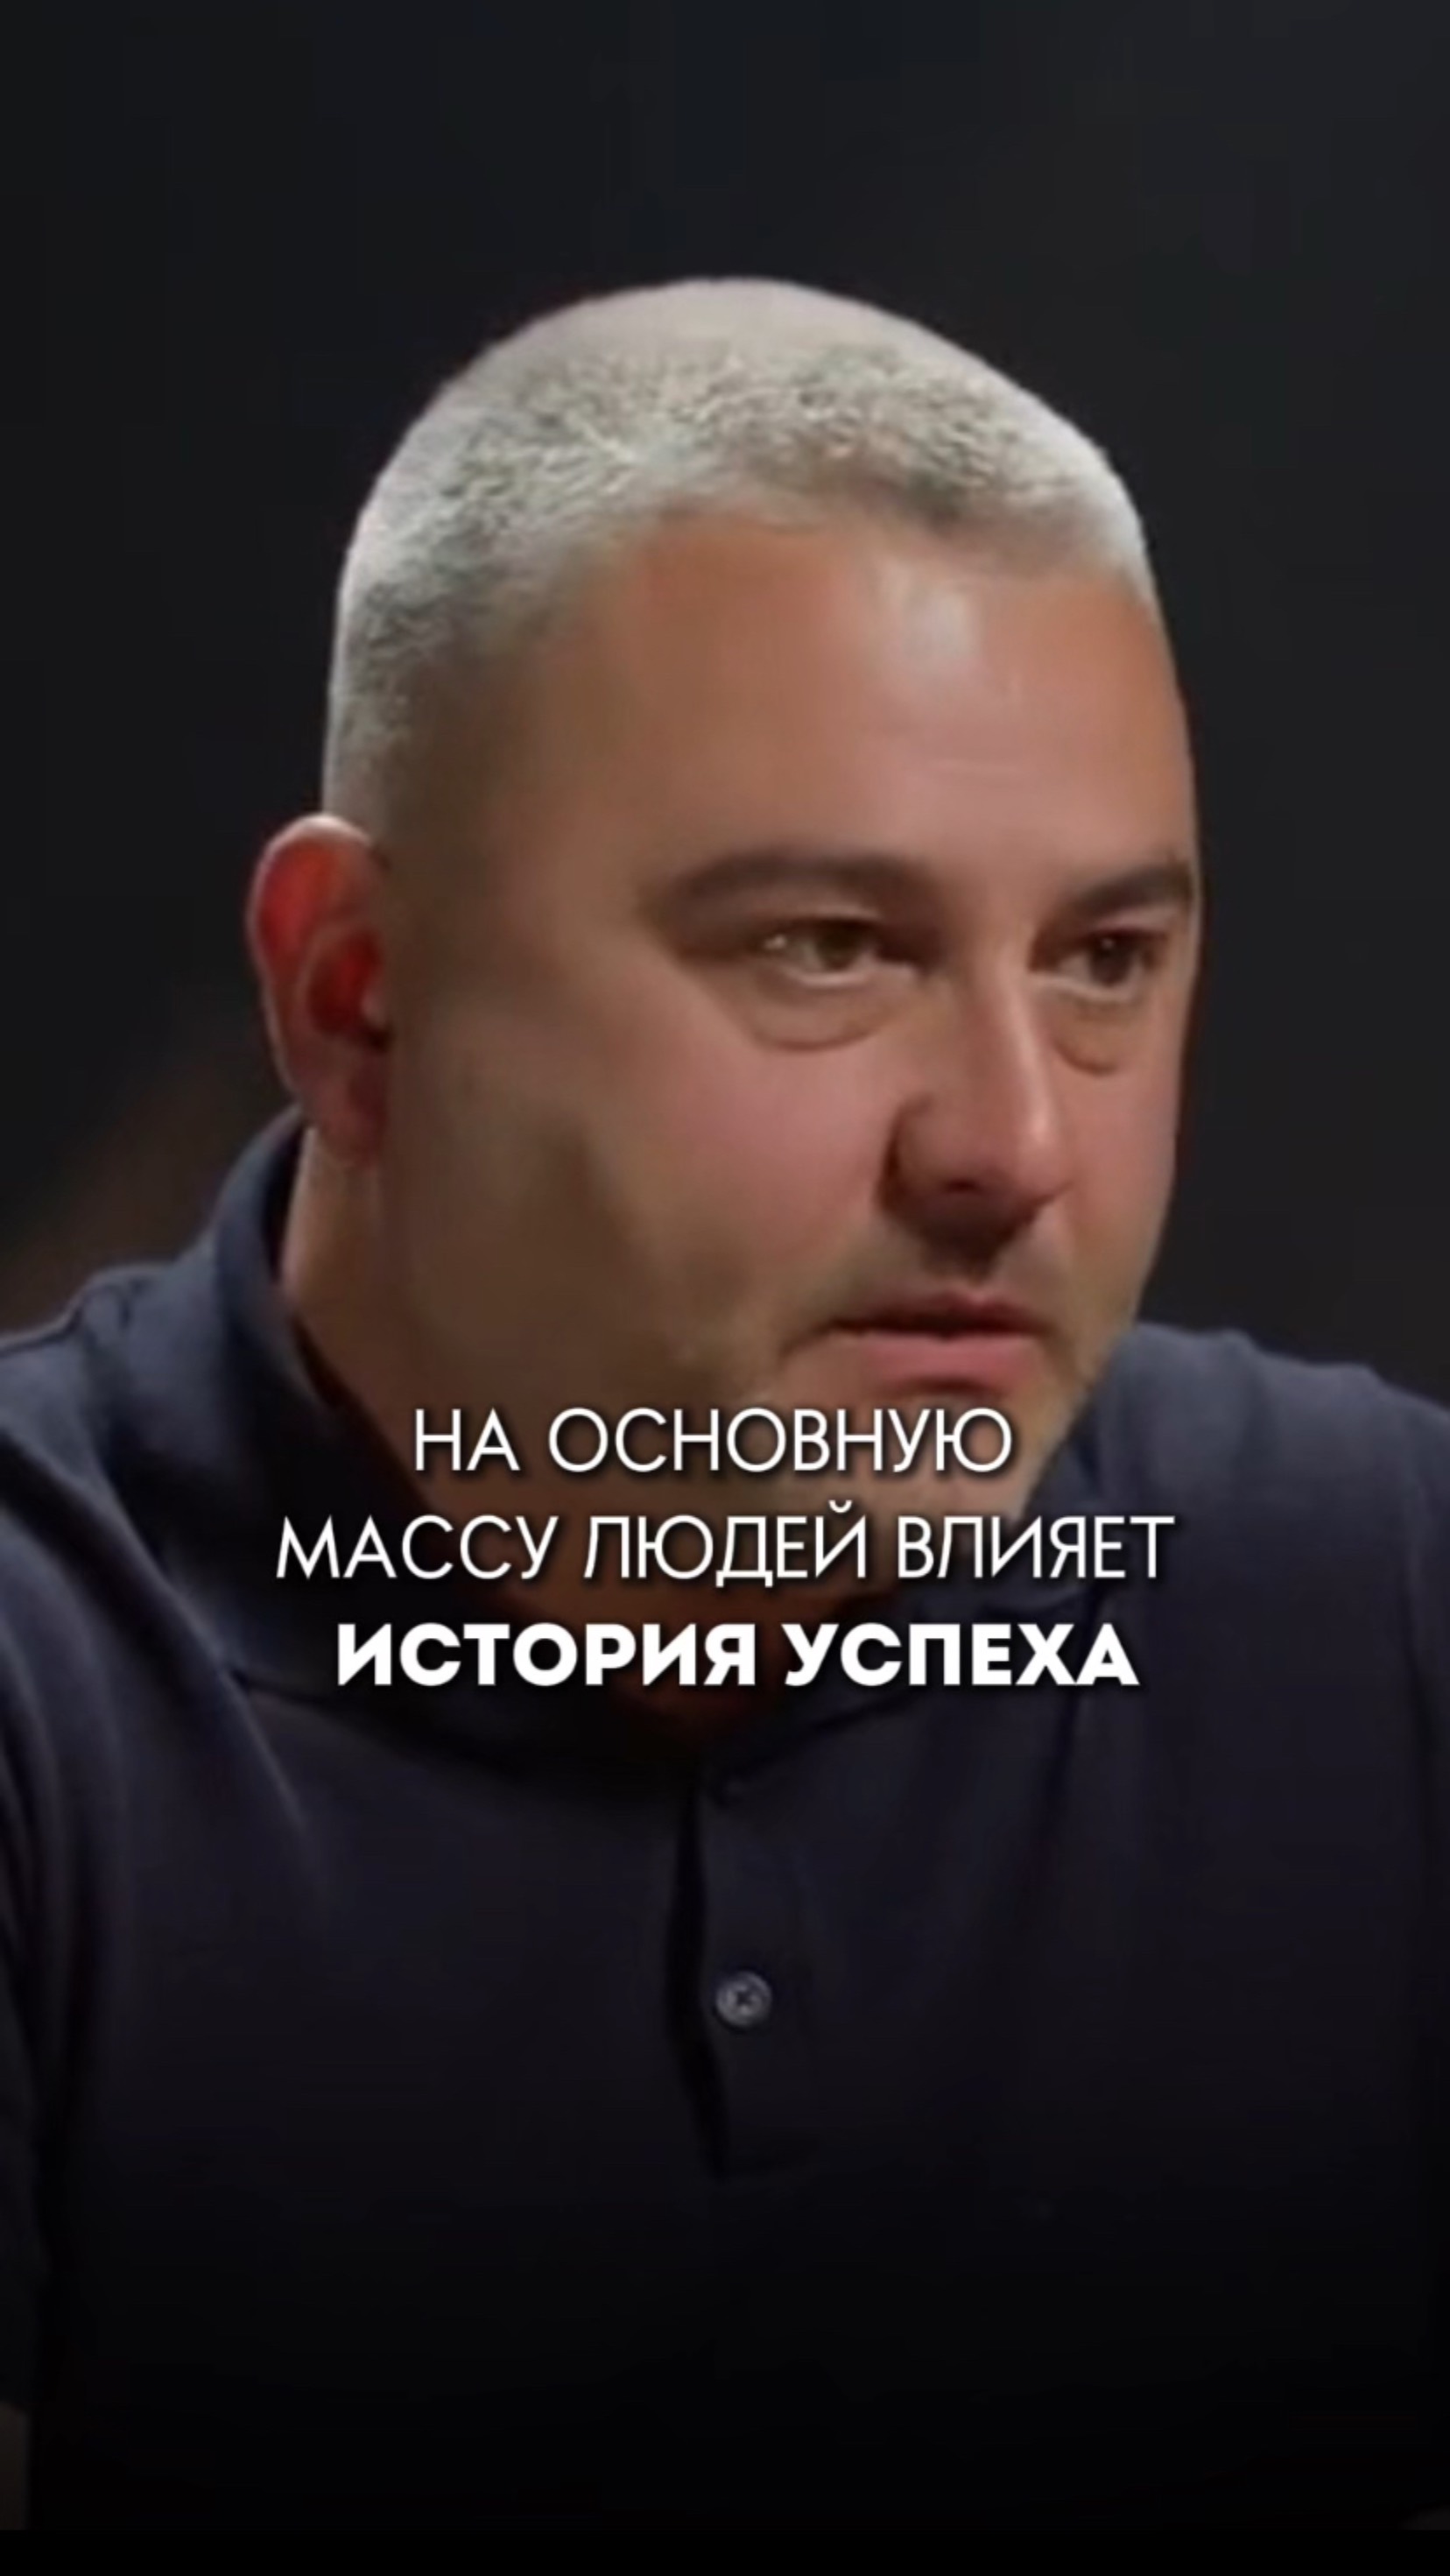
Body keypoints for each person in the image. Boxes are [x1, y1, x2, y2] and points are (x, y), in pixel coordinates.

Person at [1, 278, 1446, 2530]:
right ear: (360, 1003)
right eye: (825, 948)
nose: (1012, 1144)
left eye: (1104, 962)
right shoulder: (42, 1684)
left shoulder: (1387, 1603)